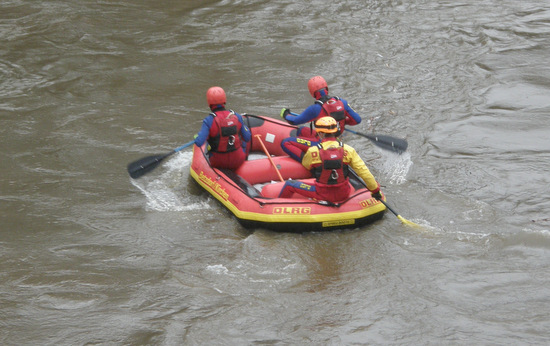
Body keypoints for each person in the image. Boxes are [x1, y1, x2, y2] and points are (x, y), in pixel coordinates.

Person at [278, 117, 382, 203]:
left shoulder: (313, 151)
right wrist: (375, 190)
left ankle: (277, 205)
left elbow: (307, 165)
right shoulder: (348, 150)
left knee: (289, 185)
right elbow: (364, 172)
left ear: (321, 134)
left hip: (321, 193)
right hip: (344, 193)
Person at [280, 75, 363, 161]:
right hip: (336, 141)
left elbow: (294, 121)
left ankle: (308, 163)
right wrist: (342, 122)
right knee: (301, 130)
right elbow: (357, 120)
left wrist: (286, 114)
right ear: (326, 88)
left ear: (312, 93)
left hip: (322, 144)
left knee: (285, 143)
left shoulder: (315, 109)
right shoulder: (343, 103)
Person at [194, 86, 251, 170]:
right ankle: (245, 159)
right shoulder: (236, 116)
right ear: (224, 100)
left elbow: (199, 142)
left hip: (218, 163)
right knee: (243, 140)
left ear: (209, 102)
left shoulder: (209, 120)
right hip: (238, 160)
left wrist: (198, 136)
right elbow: (247, 137)